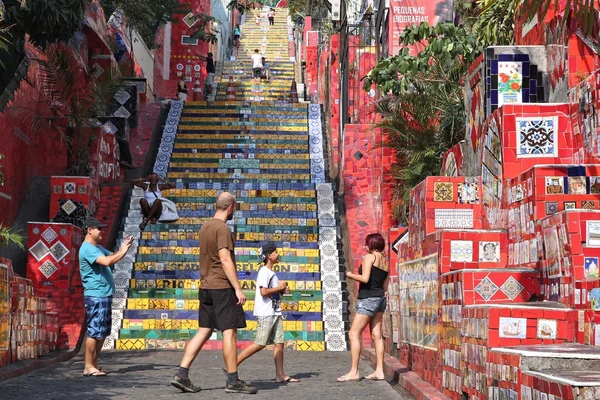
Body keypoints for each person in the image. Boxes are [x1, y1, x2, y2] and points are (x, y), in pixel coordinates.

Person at [170, 192, 258, 394]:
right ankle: (233, 380)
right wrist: (237, 288)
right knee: (229, 332)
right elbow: (225, 259)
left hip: (205, 286)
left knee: (204, 330)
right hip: (221, 287)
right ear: (230, 208)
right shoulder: (223, 229)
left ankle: (181, 375)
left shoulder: (205, 227)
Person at [235, 242, 299, 383]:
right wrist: (280, 287)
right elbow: (263, 292)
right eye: (276, 252)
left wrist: (282, 290)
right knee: (260, 343)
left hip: (275, 312)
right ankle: (232, 366)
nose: (278, 254)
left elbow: (272, 293)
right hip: (266, 313)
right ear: (269, 256)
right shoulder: (264, 272)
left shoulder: (271, 273)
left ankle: (280, 375)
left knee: (279, 342)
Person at [79, 216, 134, 377]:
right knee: (95, 331)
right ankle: (88, 366)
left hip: (104, 294)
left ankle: (94, 364)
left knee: (102, 331)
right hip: (96, 294)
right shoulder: (88, 248)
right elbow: (108, 261)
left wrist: (125, 247)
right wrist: (123, 250)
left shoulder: (96, 247)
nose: (102, 231)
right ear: (89, 230)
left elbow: (113, 255)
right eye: (99, 228)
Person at [337, 233, 389, 382]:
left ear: (371, 245)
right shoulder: (385, 261)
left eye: (366, 244)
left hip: (368, 299)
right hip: (380, 298)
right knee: (377, 335)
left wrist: (350, 274)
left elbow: (365, 278)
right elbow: (385, 286)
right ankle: (379, 371)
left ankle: (354, 371)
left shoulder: (369, 257)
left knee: (353, 333)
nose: (365, 246)